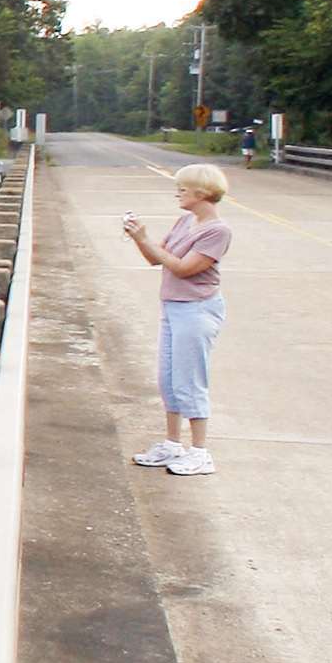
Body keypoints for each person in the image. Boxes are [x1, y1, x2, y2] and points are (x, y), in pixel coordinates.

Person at [124, 163, 232, 475]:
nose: (178, 194)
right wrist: (139, 238)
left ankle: (200, 451)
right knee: (168, 378)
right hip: (173, 306)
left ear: (202, 193)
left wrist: (147, 242)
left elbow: (184, 268)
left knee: (190, 378)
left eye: (183, 189)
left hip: (198, 309)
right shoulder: (186, 220)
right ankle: (173, 443)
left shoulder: (217, 231)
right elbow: (156, 258)